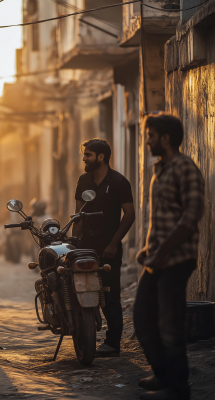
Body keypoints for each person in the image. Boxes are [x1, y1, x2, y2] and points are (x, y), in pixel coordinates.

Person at [134, 113, 205, 400]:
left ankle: (178, 390)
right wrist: (149, 249)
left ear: (165, 138)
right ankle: (163, 374)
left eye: (150, 135)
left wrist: (162, 252)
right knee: (142, 318)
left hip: (176, 260)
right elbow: (162, 217)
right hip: (157, 258)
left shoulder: (185, 168)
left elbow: (190, 217)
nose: (147, 140)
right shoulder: (160, 168)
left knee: (169, 325)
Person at [72, 138, 135, 357]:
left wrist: (113, 243)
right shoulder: (83, 180)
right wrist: (74, 242)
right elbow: (78, 215)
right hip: (85, 247)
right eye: (84, 154)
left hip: (108, 249)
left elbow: (130, 214)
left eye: (88, 154)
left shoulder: (118, 182)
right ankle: (83, 334)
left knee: (109, 296)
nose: (84, 158)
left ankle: (112, 342)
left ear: (101, 157)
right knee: (79, 289)